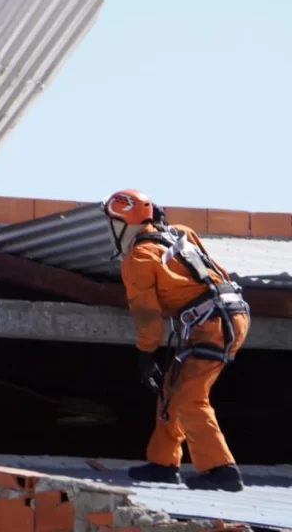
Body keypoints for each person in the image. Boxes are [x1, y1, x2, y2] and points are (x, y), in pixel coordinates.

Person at [102, 189, 250, 492]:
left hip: (211, 324)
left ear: (123, 226)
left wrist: (145, 355)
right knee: (172, 389)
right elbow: (208, 273)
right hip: (229, 314)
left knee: (189, 397)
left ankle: (222, 471)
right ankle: (163, 463)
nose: (110, 231)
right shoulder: (181, 233)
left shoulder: (138, 258)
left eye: (112, 223)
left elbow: (147, 316)